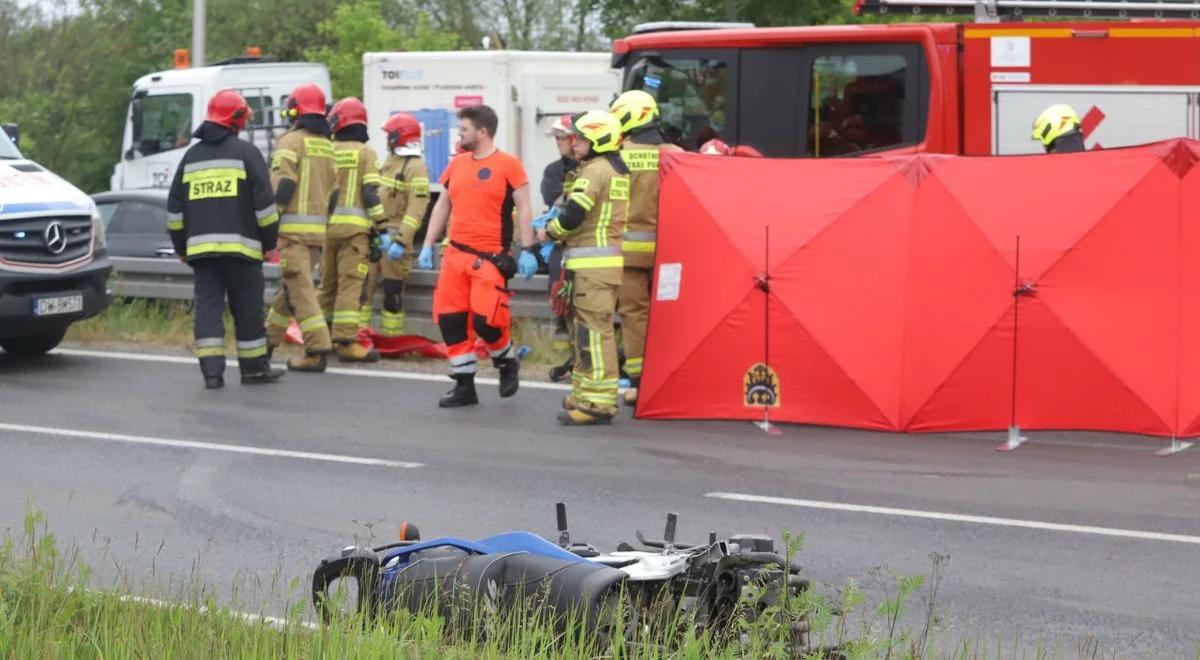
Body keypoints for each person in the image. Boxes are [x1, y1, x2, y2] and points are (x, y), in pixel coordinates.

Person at [417, 104, 537, 408]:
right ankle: (464, 386)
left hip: (490, 257)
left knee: (488, 322)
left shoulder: (509, 165)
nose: (460, 133)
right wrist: (427, 244)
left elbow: (523, 207)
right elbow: (443, 205)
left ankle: (506, 362)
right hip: (454, 255)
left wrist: (528, 248)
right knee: (451, 321)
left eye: (465, 128)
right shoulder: (456, 164)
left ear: (482, 132)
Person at [166, 89, 283, 389]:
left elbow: (175, 211)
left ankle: (212, 374)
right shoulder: (247, 153)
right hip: (243, 252)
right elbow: (265, 208)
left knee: (208, 311)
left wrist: (182, 248)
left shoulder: (190, 158)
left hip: (202, 255)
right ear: (237, 118)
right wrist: (269, 241)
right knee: (248, 310)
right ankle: (255, 370)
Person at [537, 110, 629, 425]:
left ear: (597, 140)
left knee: (593, 335)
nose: (574, 144)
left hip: (592, 268)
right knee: (586, 334)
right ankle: (584, 394)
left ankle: (598, 404)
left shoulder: (594, 172)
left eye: (580, 139)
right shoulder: (613, 170)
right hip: (600, 267)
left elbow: (574, 216)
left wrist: (548, 232)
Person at [609, 90, 683, 407]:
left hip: (628, 253)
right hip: (672, 253)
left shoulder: (618, 154)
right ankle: (675, 377)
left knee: (634, 315)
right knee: (671, 314)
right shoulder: (677, 154)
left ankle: (640, 384)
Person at [264, 83, 339, 372]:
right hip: (316, 234)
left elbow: (283, 184)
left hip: (293, 233)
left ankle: (317, 348)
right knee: (291, 288)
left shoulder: (290, 141)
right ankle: (265, 342)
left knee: (302, 290)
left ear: (296, 110)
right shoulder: (327, 145)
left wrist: (271, 221)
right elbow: (332, 194)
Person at [316, 97, 383, 362]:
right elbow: (370, 192)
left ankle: (318, 339)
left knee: (327, 285)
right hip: (354, 233)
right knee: (350, 285)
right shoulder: (366, 153)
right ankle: (345, 341)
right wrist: (382, 226)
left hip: (325, 230)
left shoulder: (328, 150)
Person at [361, 112, 431, 338]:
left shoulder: (416, 167)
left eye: (388, 135)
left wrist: (402, 240)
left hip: (395, 239)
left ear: (397, 137)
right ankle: (357, 335)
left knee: (392, 292)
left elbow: (416, 208)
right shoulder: (388, 164)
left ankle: (392, 339)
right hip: (374, 234)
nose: (386, 139)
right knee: (363, 289)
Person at [536, 114, 578, 382]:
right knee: (560, 301)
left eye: (562, 138)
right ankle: (563, 354)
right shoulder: (554, 171)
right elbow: (556, 200)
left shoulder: (594, 168)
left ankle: (579, 359)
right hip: (560, 246)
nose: (558, 143)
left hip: (582, 247)